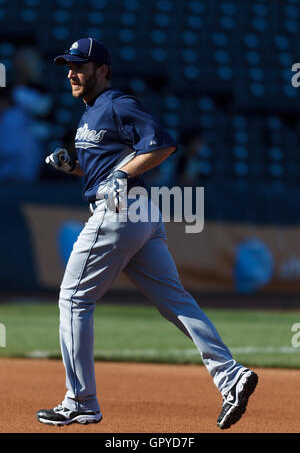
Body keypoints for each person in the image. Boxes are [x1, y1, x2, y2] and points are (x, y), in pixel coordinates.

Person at [36, 38, 258, 430]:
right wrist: (73, 166)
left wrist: (122, 173)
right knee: (176, 302)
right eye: (68, 66)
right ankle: (231, 375)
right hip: (139, 214)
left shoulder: (118, 104)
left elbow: (162, 144)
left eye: (80, 66)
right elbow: (102, 173)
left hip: (121, 212)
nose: (71, 72)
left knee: (73, 299)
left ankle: (81, 400)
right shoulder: (89, 114)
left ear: (102, 70)